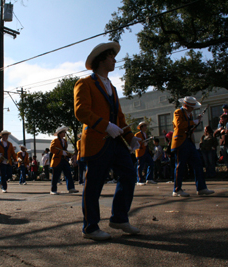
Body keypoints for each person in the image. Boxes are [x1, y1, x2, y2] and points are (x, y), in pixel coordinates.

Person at [74, 42, 141, 240]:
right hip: (96, 140)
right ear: (101, 59)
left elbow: (119, 116)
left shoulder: (111, 86)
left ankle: (119, 218)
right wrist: (105, 125)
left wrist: (130, 138)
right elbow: (81, 111)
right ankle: (91, 228)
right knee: (94, 185)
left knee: (129, 175)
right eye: (112, 57)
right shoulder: (84, 83)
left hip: (116, 142)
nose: (115, 60)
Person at [171, 96, 214, 197]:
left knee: (198, 163)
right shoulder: (178, 112)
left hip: (189, 141)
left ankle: (201, 188)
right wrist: (193, 121)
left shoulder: (189, 115)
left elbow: (189, 128)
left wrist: (196, 122)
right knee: (180, 165)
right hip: (180, 141)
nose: (193, 108)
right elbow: (179, 125)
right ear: (186, 105)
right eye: (191, 106)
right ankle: (177, 189)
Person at [49, 126, 79, 195]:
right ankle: (53, 190)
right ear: (60, 133)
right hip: (57, 160)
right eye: (63, 132)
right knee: (55, 176)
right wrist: (61, 152)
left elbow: (64, 150)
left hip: (64, 160)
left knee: (68, 174)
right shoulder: (55, 140)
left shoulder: (65, 141)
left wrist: (68, 154)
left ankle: (71, 188)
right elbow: (52, 149)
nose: (65, 133)